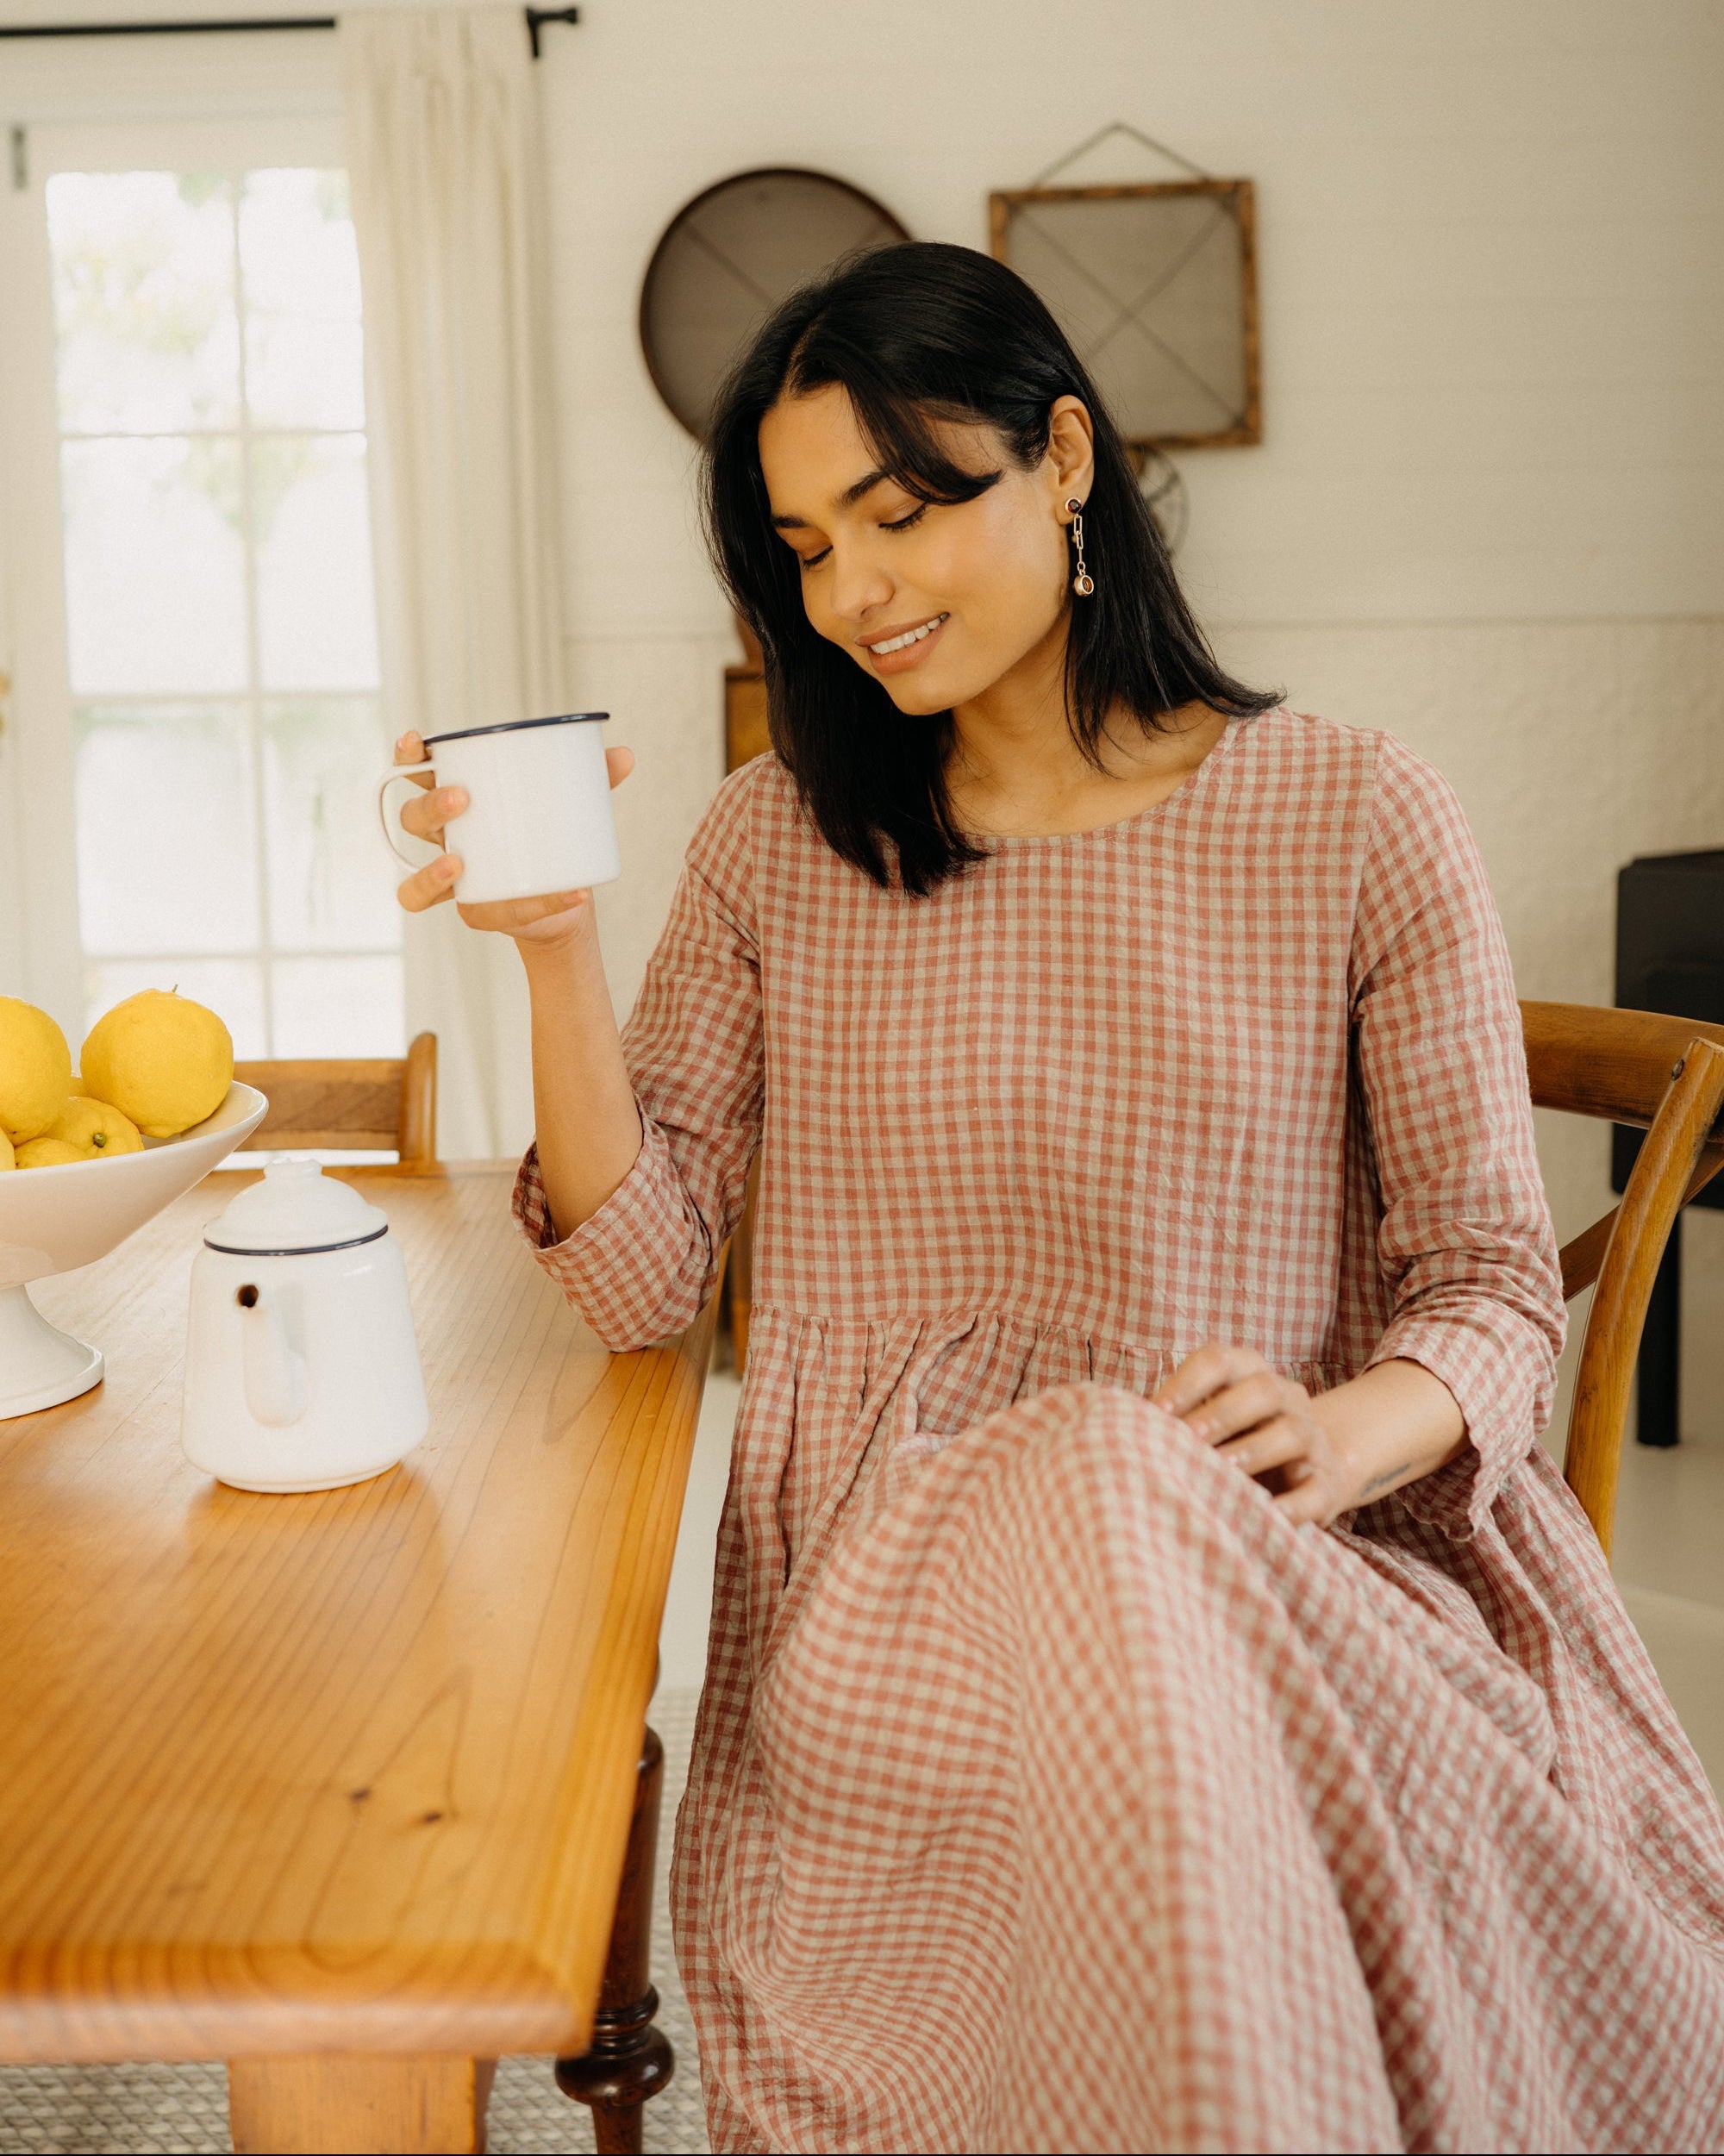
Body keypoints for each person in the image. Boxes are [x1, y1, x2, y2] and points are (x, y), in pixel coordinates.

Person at [390, 242, 1724, 2153]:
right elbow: (639, 1283)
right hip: (890, 1625)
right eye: (801, 548)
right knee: (1091, 1482)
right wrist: (548, 952)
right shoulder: (779, 841)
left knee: (1116, 1480)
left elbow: (1497, 1288)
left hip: (1280, 1565)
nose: (849, 591)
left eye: (899, 512)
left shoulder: (1354, 812)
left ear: (1067, 458)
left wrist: (1344, 1431)